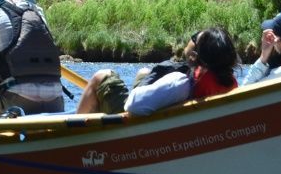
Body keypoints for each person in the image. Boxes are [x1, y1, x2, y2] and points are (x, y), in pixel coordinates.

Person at [75, 27, 240, 116]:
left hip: (132, 123)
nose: (190, 40)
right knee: (143, 73)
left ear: (194, 56)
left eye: (195, 37)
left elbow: (132, 105)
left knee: (101, 76)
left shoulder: (180, 83)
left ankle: (75, 138)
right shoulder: (226, 81)